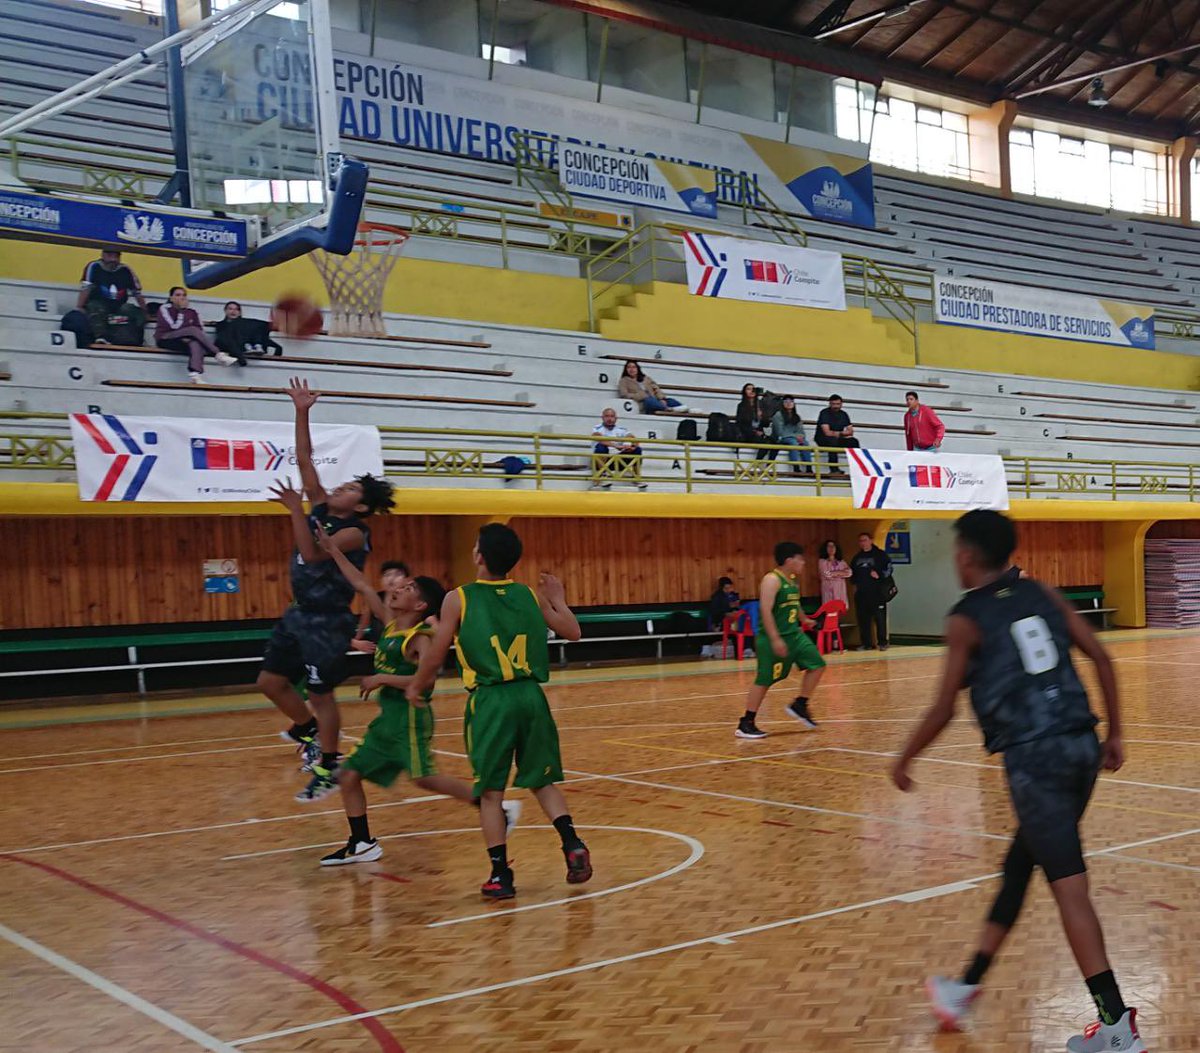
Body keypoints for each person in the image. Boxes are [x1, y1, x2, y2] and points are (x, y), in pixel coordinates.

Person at [892, 510, 1146, 1053]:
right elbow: (1101, 657)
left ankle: (1117, 1027)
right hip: (1080, 746)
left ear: (965, 555)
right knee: (1018, 865)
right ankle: (966, 986)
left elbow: (943, 709)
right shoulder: (1043, 593)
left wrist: (905, 758)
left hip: (1035, 761)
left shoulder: (965, 618)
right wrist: (1116, 734)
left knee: (1070, 890)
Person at [407, 523, 592, 900]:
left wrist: (416, 684)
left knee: (491, 793)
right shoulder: (526, 593)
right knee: (542, 780)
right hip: (532, 697)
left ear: (478, 556)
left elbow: (438, 653)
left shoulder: (458, 598)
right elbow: (573, 632)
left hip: (491, 700)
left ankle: (500, 875)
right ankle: (572, 842)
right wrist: (557, 598)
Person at [314, 532, 519, 866]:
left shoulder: (419, 639)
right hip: (387, 722)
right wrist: (335, 550)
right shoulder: (390, 622)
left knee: (424, 778)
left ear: (421, 605)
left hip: (410, 717)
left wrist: (382, 677)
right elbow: (363, 585)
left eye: (408, 588)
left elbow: (423, 682)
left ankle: (495, 808)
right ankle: (362, 841)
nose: (398, 588)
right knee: (349, 774)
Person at [259, 378, 396, 803]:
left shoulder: (355, 532)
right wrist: (302, 411)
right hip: (298, 612)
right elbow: (304, 459)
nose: (341, 487)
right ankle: (310, 734)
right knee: (269, 682)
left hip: (328, 618)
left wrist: (295, 511)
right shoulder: (320, 504)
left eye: (352, 488)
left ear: (359, 506)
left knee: (320, 692)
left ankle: (329, 761)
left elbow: (312, 553)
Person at [735, 542, 825, 739]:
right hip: (772, 638)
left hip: (794, 635)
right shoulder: (771, 580)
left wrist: (805, 620)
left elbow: (795, 605)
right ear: (789, 560)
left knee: (817, 664)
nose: (803, 563)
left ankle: (800, 704)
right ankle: (746, 723)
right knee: (765, 680)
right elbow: (765, 610)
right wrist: (775, 639)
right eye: (800, 559)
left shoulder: (792, 581)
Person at [155, 286, 236, 383]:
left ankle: (195, 374)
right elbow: (173, 326)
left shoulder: (192, 312)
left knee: (195, 343)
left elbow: (200, 330)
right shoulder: (164, 309)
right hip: (166, 337)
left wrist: (189, 335)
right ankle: (218, 354)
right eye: (178, 295)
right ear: (171, 298)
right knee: (192, 330)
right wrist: (181, 311)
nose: (182, 298)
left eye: (184, 295)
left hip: (185, 340)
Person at [77, 248, 148, 344]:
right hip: (99, 303)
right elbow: (86, 287)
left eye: (116, 256)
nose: (113, 259)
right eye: (110, 255)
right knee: (95, 307)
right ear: (103, 255)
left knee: (132, 310)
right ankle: (100, 337)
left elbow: (137, 292)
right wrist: (80, 306)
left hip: (119, 306)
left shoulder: (126, 270)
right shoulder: (94, 266)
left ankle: (138, 339)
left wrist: (144, 311)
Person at [351, 560, 411, 654]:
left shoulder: (412, 600)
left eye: (397, 574)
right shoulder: (375, 598)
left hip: (404, 647)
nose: (391, 579)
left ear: (407, 580)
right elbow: (363, 625)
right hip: (378, 647)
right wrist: (355, 642)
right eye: (387, 575)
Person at [850, 531, 892, 650]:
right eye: (861, 541)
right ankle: (866, 643)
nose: (863, 543)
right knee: (863, 619)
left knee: (879, 618)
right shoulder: (857, 557)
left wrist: (879, 575)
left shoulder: (880, 555)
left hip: (877, 592)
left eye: (865, 540)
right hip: (862, 593)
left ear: (871, 540)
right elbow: (852, 574)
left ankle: (883, 642)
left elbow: (889, 569)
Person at [591, 407, 648, 490]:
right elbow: (598, 438)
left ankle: (637, 478)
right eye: (607, 416)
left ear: (616, 418)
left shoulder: (621, 429)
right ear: (602, 418)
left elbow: (632, 437)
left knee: (637, 449)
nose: (609, 419)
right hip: (602, 460)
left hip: (617, 461)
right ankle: (602, 477)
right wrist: (616, 446)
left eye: (612, 416)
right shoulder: (597, 428)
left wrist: (631, 446)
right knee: (601, 447)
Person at [213, 301, 283, 364]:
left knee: (256, 326)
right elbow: (226, 340)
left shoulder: (246, 323)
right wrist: (240, 358)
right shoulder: (221, 325)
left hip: (246, 346)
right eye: (230, 309)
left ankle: (255, 346)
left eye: (236, 309)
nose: (233, 311)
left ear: (240, 312)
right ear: (225, 311)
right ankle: (249, 346)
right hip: (233, 349)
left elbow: (264, 326)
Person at [618, 359, 688, 414]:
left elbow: (656, 388)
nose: (631, 369)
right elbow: (624, 395)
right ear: (626, 369)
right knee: (649, 401)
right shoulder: (623, 381)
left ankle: (685, 409)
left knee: (670, 400)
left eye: (634, 367)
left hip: (655, 400)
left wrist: (661, 399)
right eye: (629, 367)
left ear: (637, 369)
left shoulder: (646, 378)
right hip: (642, 403)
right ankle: (668, 409)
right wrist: (642, 395)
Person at [814, 394, 861, 474]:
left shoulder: (843, 414)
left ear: (841, 404)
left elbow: (851, 431)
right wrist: (843, 433)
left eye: (838, 404)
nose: (836, 406)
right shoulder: (824, 413)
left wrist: (838, 434)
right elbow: (827, 433)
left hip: (838, 438)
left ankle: (858, 468)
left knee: (854, 441)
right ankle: (834, 469)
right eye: (833, 404)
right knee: (832, 441)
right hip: (823, 439)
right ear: (829, 404)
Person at [768, 395, 813, 473]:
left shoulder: (796, 416)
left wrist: (801, 437)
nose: (789, 403)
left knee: (805, 443)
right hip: (782, 438)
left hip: (793, 437)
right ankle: (795, 467)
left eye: (791, 401)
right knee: (793, 443)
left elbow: (801, 431)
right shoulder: (778, 415)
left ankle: (809, 467)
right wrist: (795, 437)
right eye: (786, 402)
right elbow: (779, 432)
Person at [735, 383, 769, 458]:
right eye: (748, 389)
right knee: (764, 443)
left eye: (753, 389)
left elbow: (766, 424)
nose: (751, 391)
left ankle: (760, 462)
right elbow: (740, 423)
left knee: (771, 442)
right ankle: (756, 463)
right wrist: (754, 432)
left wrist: (762, 417)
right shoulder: (741, 406)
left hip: (759, 432)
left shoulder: (760, 405)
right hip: (747, 433)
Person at [817, 539, 852, 607]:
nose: (831, 548)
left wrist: (835, 573)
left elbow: (849, 573)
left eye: (833, 546)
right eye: (829, 546)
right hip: (829, 591)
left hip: (840, 591)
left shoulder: (841, 562)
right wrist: (841, 573)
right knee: (830, 612)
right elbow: (827, 574)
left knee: (840, 611)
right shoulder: (822, 561)